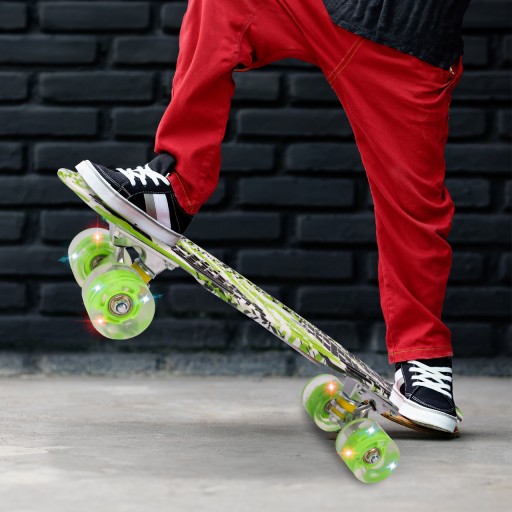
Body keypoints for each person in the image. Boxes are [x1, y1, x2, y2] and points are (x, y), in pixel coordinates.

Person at [74, 0, 471, 433]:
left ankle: (424, 361)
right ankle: (174, 190)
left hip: (410, 42)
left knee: (413, 205)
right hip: (329, 9)